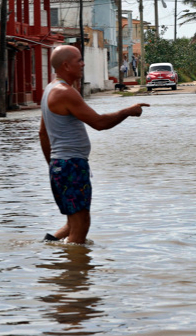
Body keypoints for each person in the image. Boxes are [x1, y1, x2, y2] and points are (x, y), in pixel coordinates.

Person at [40, 45, 149, 245]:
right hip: (71, 165)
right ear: (66, 65)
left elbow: (43, 133)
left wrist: (54, 166)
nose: (83, 64)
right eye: (79, 60)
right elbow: (99, 123)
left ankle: (47, 246)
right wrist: (128, 111)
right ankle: (75, 273)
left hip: (61, 165)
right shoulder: (65, 92)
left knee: (74, 221)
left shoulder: (49, 89)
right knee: (81, 225)